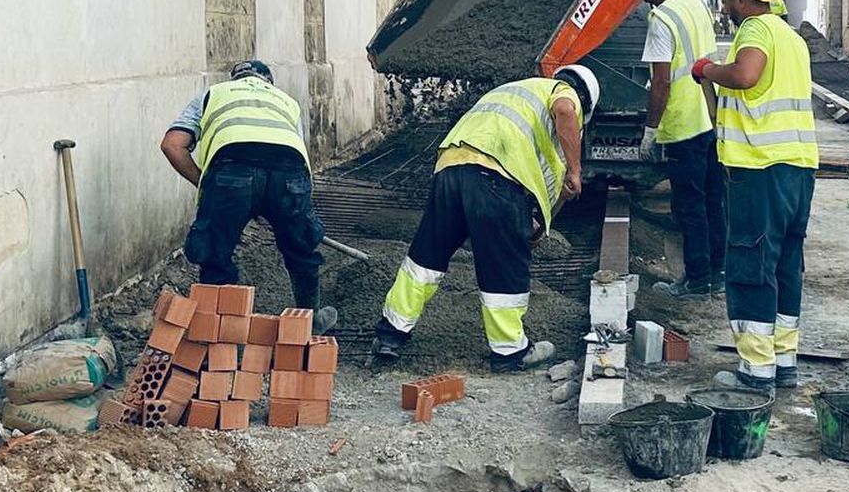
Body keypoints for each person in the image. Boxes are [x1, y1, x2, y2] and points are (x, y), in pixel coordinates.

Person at [373, 66, 600, 373]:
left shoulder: (516, 91)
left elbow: (551, 184)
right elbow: (564, 112)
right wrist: (576, 169)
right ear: (584, 102)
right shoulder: (563, 94)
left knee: (426, 257)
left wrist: (537, 224)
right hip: (496, 174)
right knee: (503, 263)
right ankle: (509, 351)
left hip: (451, 165)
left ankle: (390, 335)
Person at [692, 0, 819, 393]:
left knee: (751, 262)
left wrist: (707, 70)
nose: (726, 7)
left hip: (759, 168)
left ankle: (755, 370)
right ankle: (784, 362)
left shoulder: (755, 29)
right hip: (798, 168)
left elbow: (745, 76)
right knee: (786, 266)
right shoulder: (793, 38)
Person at [160, 60, 336, 330]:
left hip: (231, 172)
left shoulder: (213, 95)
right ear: (268, 82)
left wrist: (208, 186)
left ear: (234, 80)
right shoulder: (285, 101)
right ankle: (310, 321)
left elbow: (172, 145)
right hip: (288, 173)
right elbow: (298, 155)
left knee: (215, 254)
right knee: (301, 250)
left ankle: (219, 335)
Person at [630, 0, 727, 298]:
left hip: (683, 123)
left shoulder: (661, 19)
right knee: (713, 199)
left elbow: (661, 82)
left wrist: (650, 132)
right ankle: (718, 270)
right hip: (708, 115)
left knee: (689, 206)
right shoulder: (695, 3)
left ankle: (697, 280)